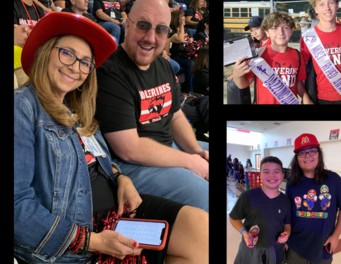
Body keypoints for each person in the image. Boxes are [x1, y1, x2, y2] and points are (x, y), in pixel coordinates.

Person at [14, 12, 208, 264]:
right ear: (45, 51)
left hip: (116, 212)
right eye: (67, 53)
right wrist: (91, 241)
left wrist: (121, 177)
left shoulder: (76, 107)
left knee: (202, 230)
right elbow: (17, 207)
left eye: (86, 62)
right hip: (77, 233)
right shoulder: (22, 107)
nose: (76, 67)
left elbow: (99, 158)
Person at [94, 0, 209, 213]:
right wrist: (189, 162)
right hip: (133, 166)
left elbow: (175, 116)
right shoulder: (110, 72)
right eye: (143, 25)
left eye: (161, 30)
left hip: (168, 149)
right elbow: (128, 149)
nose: (150, 38)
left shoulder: (162, 65)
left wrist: (195, 151)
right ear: (127, 26)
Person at [285, 133, 341, 264]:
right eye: (302, 153)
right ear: (297, 158)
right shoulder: (291, 183)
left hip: (323, 246)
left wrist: (336, 236)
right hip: (295, 246)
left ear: (319, 154)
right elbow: (287, 214)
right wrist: (286, 237)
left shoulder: (333, 179)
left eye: (312, 151)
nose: (307, 156)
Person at [232, 11, 310, 104]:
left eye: (285, 28)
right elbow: (244, 84)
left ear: (292, 31)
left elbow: (298, 83)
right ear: (267, 33)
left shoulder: (298, 55)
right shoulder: (258, 55)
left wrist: (306, 99)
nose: (281, 32)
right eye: (274, 28)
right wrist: (236, 75)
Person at [300, 0, 341, 105]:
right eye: (322, 4)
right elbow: (304, 68)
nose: (327, 8)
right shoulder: (308, 37)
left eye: (330, 3)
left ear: (337, 5)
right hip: (320, 96)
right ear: (316, 9)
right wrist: (305, 96)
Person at [230, 156, 292, 264]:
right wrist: (244, 232)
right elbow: (233, 218)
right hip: (250, 248)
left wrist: (287, 233)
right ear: (260, 175)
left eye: (276, 171)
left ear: (282, 175)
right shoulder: (248, 196)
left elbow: (287, 224)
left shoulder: (286, 200)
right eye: (266, 171)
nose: (272, 175)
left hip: (275, 248)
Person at [169, 9, 195, 93]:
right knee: (190, 63)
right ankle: (187, 89)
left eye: (184, 16)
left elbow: (191, 42)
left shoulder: (187, 30)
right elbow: (180, 40)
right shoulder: (170, 30)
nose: (184, 18)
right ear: (176, 19)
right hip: (176, 55)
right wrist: (181, 26)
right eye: (182, 17)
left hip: (186, 55)